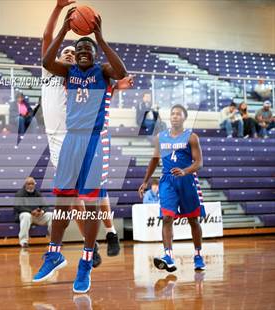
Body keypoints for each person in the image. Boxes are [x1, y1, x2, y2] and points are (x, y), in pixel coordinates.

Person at [33, 7, 127, 294]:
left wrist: (99, 37)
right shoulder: (66, 72)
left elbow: (120, 71)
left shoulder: (103, 71)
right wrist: (64, 29)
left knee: (92, 204)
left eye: (88, 48)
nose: (82, 51)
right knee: (63, 203)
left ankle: (86, 261)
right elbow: (48, 60)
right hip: (69, 140)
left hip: (94, 142)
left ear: (95, 53)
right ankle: (54, 252)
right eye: (78, 48)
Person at [138, 104, 206, 273]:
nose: (175, 116)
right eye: (172, 113)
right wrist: (145, 181)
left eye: (178, 114)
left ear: (184, 117)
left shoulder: (192, 137)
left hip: (187, 180)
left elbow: (199, 163)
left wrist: (185, 171)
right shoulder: (161, 137)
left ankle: (198, 255)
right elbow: (154, 160)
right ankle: (168, 256)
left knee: (193, 220)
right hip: (167, 181)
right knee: (167, 218)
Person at [14, 177, 52, 248]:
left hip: (37, 216)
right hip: (26, 215)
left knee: (51, 215)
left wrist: (41, 211)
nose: (31, 185)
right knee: (26, 215)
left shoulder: (37, 193)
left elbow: (45, 206)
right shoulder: (19, 194)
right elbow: (18, 207)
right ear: (25, 185)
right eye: (29, 184)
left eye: (32, 184)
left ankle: (54, 240)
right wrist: (31, 211)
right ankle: (23, 241)